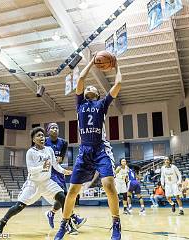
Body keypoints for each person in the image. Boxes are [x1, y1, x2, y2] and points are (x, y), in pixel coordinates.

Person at [54, 55, 122, 240]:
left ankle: (116, 224)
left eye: (93, 87)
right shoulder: (80, 104)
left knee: (108, 184)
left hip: (100, 149)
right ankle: (64, 224)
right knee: (73, 190)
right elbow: (81, 79)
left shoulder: (102, 104)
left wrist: (116, 66)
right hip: (84, 151)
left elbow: (118, 84)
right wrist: (92, 62)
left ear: (98, 94)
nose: (89, 87)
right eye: (88, 88)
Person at [0, 127, 73, 234]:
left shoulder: (49, 150)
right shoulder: (30, 152)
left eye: (42, 135)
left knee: (63, 198)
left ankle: (67, 224)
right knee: (19, 207)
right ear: (33, 139)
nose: (41, 137)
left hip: (47, 182)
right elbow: (31, 170)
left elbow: (55, 165)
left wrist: (65, 171)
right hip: (33, 184)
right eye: (38, 136)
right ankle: (2, 222)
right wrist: (43, 167)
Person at [44, 123, 86, 229]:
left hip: (58, 171)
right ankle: (72, 220)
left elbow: (61, 158)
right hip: (48, 172)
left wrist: (59, 159)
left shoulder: (63, 142)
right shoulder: (43, 141)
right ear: (48, 131)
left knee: (64, 197)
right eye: (52, 128)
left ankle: (52, 213)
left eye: (56, 127)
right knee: (62, 196)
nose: (55, 129)